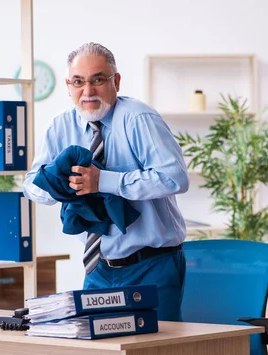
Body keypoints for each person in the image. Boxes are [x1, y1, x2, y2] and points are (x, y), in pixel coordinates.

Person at [22, 42, 190, 321]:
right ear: (68, 86)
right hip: (97, 269)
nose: (87, 92)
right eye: (78, 82)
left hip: (152, 266)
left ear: (116, 81)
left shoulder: (138, 118)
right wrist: (56, 184)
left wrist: (103, 181)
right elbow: (31, 184)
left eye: (98, 80)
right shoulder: (60, 126)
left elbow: (174, 178)